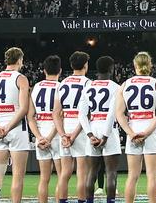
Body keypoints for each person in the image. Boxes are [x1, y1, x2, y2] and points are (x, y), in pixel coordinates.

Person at [115, 52, 156, 203]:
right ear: (150, 65)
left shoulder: (125, 85)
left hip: (133, 129)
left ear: (135, 65)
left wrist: (131, 133)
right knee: (152, 175)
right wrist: (147, 132)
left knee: (132, 176)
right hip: (151, 130)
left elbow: (119, 113)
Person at [0, 48, 31, 203]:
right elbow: (24, 108)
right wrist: (8, 127)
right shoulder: (21, 79)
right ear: (19, 60)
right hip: (16, 128)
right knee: (18, 175)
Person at [54, 52, 91, 203]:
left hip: (65, 126)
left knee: (64, 173)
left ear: (71, 65)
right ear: (85, 65)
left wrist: (63, 135)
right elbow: (87, 114)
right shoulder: (88, 83)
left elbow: (55, 113)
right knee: (82, 173)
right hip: (80, 128)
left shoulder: (62, 83)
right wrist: (74, 135)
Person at [84, 57, 121, 203]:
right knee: (111, 173)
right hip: (109, 129)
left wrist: (90, 134)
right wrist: (105, 136)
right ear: (111, 69)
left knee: (91, 172)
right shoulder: (116, 87)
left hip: (93, 125)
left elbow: (82, 114)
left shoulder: (88, 87)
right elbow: (113, 113)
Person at [30, 55, 62, 203]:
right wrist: (50, 137)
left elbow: (30, 116)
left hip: (41, 132)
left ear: (44, 71)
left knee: (44, 178)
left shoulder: (36, 87)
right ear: (60, 71)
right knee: (62, 177)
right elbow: (60, 116)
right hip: (57, 134)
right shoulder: (61, 87)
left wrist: (39, 137)